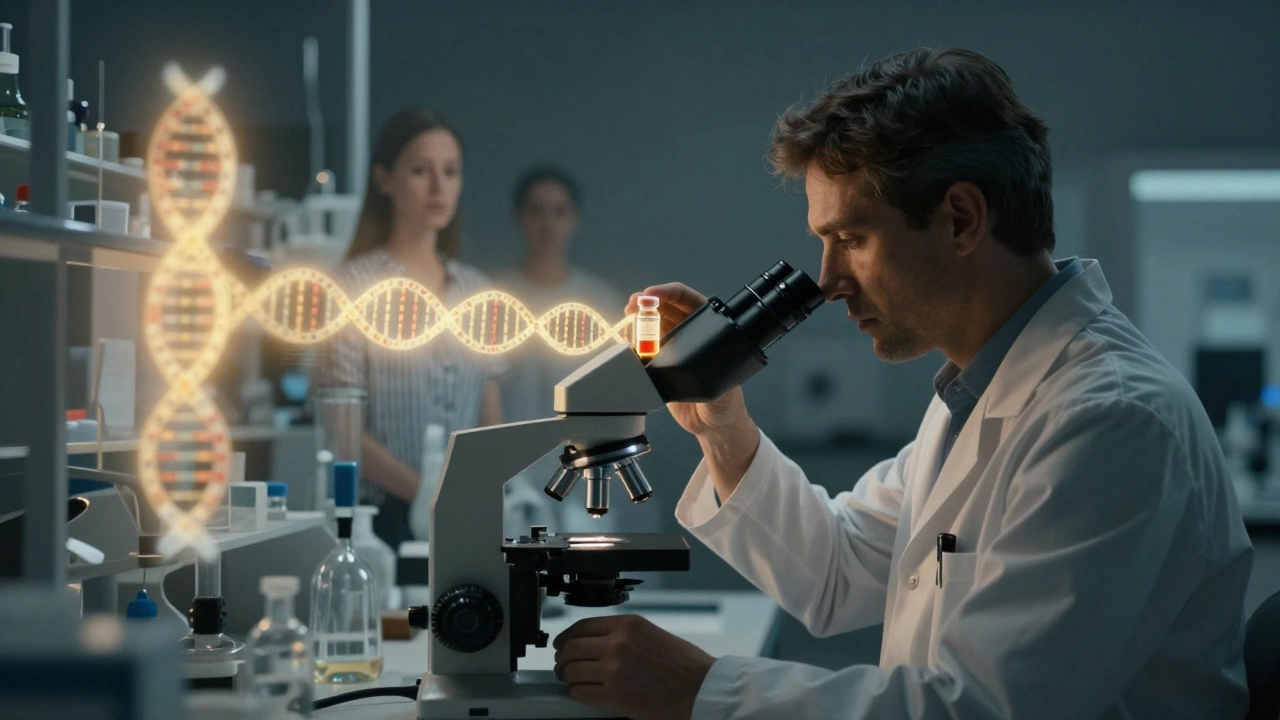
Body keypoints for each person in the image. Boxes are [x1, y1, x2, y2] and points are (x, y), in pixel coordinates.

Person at [551, 47, 1252, 720]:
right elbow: (837, 570)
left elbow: (980, 710)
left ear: (961, 219)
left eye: (851, 238)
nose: (826, 282)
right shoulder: (981, 393)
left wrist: (701, 691)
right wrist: (724, 430)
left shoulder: (1110, 422)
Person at [316, 107, 505, 550]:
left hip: (466, 511)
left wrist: (483, 489)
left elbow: (489, 411)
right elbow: (342, 427)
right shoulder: (351, 286)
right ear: (384, 180)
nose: (439, 187)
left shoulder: (476, 289)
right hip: (377, 521)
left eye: (451, 171)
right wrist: (427, 492)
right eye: (420, 170)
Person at [495, 166, 624, 533]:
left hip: (582, 479)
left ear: (574, 220)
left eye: (558, 211)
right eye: (536, 211)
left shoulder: (598, 304)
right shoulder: (495, 302)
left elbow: (615, 401)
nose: (547, 223)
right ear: (520, 218)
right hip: (510, 477)